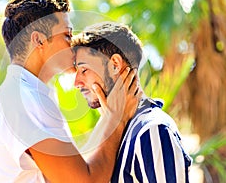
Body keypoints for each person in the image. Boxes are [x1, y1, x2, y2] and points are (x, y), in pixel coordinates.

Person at [0, 0, 141, 182]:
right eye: (67, 35)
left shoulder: (27, 94)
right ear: (39, 40)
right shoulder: (21, 98)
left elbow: (77, 166)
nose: (72, 44)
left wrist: (110, 117)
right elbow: (82, 180)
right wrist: (117, 118)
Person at [72, 21, 192, 183]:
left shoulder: (151, 130)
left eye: (84, 70)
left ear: (114, 65)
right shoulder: (113, 134)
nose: (77, 83)